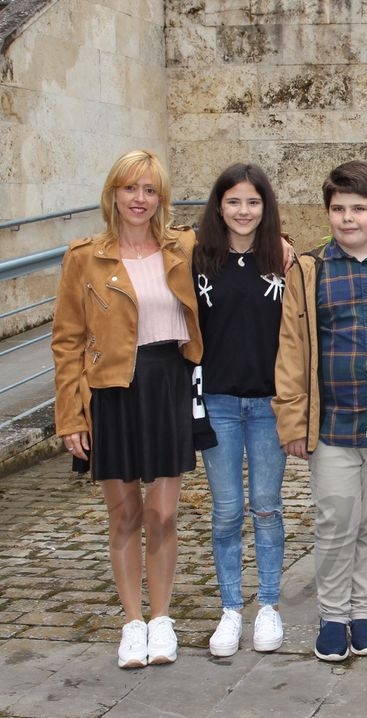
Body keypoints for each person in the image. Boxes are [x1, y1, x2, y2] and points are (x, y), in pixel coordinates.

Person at [52, 149, 202, 668]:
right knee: (124, 515)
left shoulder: (182, 246)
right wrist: (70, 416)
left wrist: (283, 242)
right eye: (130, 188)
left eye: (150, 190)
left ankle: (162, 621)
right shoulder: (84, 257)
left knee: (162, 513)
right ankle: (132, 622)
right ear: (113, 193)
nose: (139, 199)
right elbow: (67, 341)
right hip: (111, 388)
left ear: (161, 197)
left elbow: (238, 244)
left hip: (169, 384)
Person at [273, 159, 367, 662]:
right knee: (336, 520)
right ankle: (333, 615)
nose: (348, 219)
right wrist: (293, 420)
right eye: (338, 209)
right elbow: (292, 348)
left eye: (359, 208)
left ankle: (364, 612)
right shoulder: (309, 269)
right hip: (333, 425)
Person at [193, 163, 289, 658]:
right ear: (219, 206)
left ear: (265, 207)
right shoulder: (199, 260)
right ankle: (231, 607)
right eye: (234, 201)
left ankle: (269, 604)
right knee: (227, 510)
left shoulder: (284, 260)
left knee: (267, 507)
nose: (244, 211)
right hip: (219, 403)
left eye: (253, 202)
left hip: (269, 404)